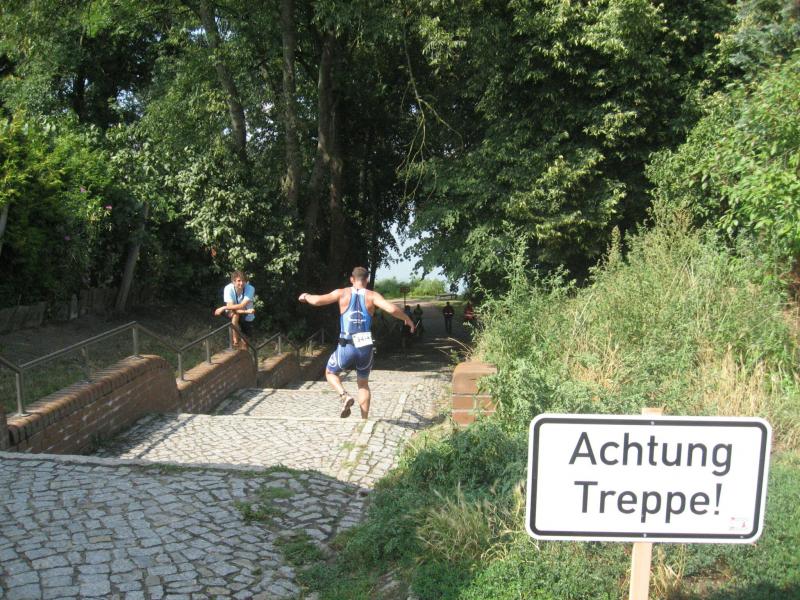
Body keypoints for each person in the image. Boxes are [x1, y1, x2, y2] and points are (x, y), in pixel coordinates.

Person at [298, 266, 415, 419]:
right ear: (367, 280)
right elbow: (392, 309)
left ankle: (344, 395)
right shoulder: (372, 296)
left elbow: (318, 300)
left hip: (346, 344)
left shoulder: (342, 293)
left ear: (352, 279)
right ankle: (364, 420)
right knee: (363, 384)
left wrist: (306, 296)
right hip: (365, 346)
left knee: (330, 373)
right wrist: (407, 319)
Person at [213, 270, 255, 347]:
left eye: (243, 281)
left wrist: (224, 307)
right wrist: (246, 311)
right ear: (233, 281)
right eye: (239, 281)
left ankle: (242, 346)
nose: (241, 283)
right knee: (235, 315)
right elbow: (231, 308)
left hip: (247, 317)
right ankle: (235, 340)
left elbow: (242, 305)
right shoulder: (228, 288)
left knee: (246, 342)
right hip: (237, 312)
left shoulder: (250, 288)